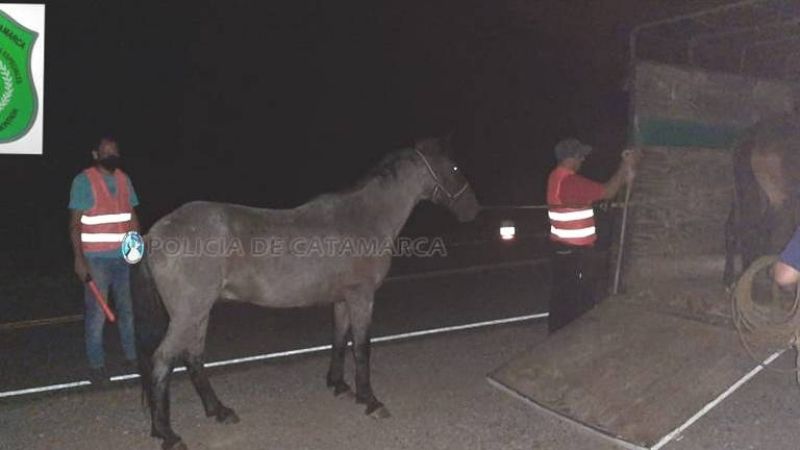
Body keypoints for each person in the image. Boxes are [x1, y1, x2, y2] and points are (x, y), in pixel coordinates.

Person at [546, 137, 640, 333]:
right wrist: (625, 165)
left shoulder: (556, 177)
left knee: (563, 301)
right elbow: (607, 191)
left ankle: (558, 339)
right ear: (570, 157)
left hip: (562, 252)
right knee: (579, 304)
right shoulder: (570, 182)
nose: (583, 160)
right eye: (580, 156)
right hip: (575, 255)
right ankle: (571, 342)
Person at [68, 135, 140, 383]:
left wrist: (135, 250)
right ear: (95, 154)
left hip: (122, 257)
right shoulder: (83, 180)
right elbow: (75, 224)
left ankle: (133, 357)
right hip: (96, 259)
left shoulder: (123, 179)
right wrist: (79, 259)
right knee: (98, 314)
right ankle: (97, 365)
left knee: (128, 311)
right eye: (106, 152)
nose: (111, 155)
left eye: (115, 152)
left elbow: (131, 216)